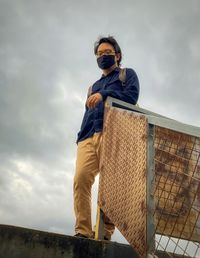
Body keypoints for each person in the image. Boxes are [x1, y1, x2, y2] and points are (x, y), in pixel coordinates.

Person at [73, 36, 140, 240]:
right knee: (81, 179)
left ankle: (103, 234)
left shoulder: (126, 75)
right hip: (87, 136)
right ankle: (82, 232)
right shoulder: (92, 86)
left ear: (117, 55)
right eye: (99, 53)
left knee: (110, 185)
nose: (103, 56)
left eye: (107, 53)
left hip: (113, 133)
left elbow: (132, 97)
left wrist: (105, 95)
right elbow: (87, 112)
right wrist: (80, 137)